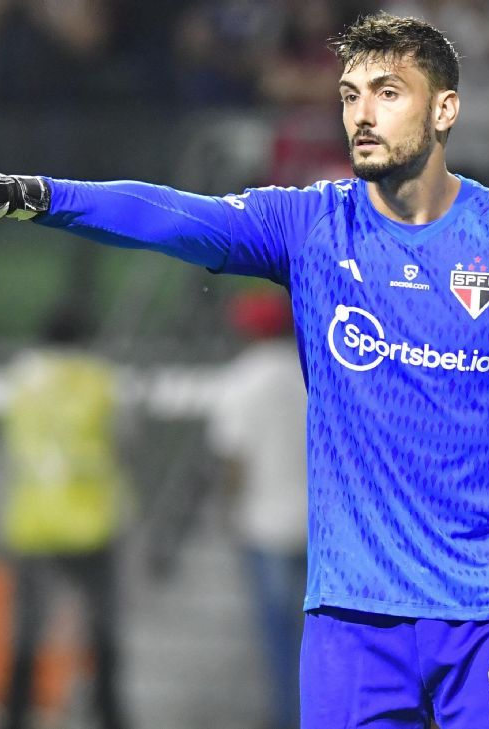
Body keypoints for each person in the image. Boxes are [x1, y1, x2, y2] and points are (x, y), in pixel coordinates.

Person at [0, 12, 489, 728]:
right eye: (349, 95)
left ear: (445, 112)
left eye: (387, 93)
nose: (361, 114)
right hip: (354, 624)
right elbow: (173, 215)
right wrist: (32, 196)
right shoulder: (309, 227)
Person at [0, 307, 130, 729]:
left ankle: (15, 715)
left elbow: (13, 441)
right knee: (102, 626)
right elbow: (125, 440)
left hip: (34, 520)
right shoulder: (100, 380)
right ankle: (108, 713)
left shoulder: (22, 379)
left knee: (25, 631)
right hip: (93, 520)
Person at [207, 288, 308, 729]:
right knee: (318, 639)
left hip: (266, 527)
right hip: (319, 528)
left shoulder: (239, 382)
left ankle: (288, 718)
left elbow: (234, 461)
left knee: (279, 641)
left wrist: (228, 514)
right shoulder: (314, 374)